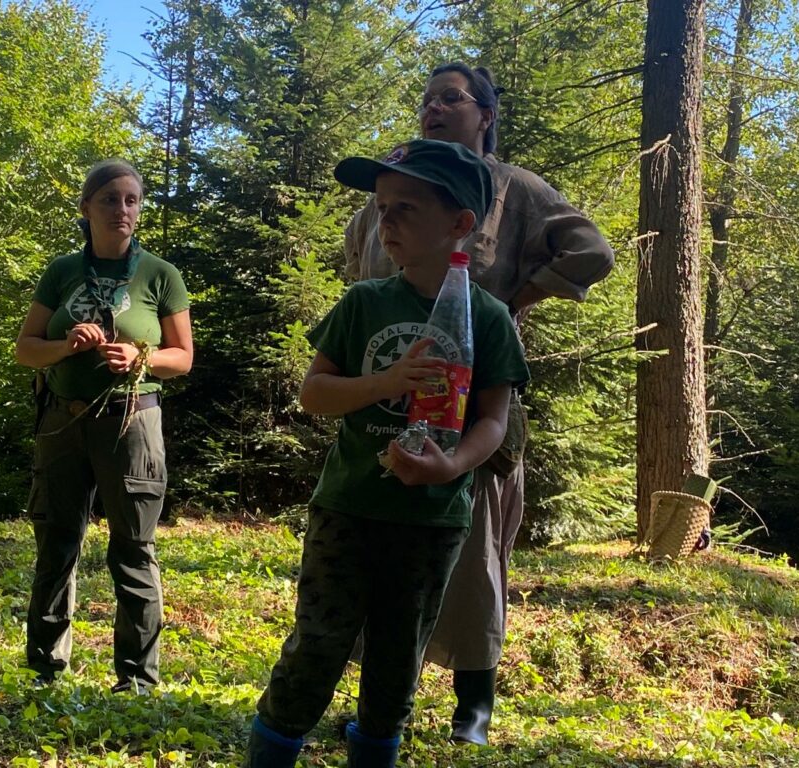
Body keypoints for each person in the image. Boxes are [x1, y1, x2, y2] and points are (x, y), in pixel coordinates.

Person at [345, 63, 615, 744]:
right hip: (385, 402)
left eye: (452, 99)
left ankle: (475, 702)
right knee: (376, 546)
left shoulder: (512, 190)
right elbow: (358, 284)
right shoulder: (388, 197)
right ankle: (383, 698)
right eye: (427, 99)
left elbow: (592, 251)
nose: (434, 108)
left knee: (473, 552)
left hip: (477, 407)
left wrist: (516, 298)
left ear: (486, 116)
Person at [244, 139, 529, 768]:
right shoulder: (364, 302)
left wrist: (452, 466)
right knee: (316, 647)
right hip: (348, 508)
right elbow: (314, 394)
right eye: (381, 208)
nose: (385, 222)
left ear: (460, 225)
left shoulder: (488, 317)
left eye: (405, 209)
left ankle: (374, 751)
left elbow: (493, 421)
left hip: (431, 521)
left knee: (398, 663)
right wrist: (388, 382)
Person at [15, 159, 193, 694]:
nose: (123, 210)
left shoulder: (160, 274)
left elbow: (182, 357)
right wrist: (66, 344)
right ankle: (45, 668)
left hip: (133, 425)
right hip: (62, 422)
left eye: (132, 200)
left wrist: (142, 359)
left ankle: (137, 679)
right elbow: (26, 350)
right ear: (86, 208)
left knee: (133, 547)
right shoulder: (62, 270)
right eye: (111, 199)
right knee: (57, 542)